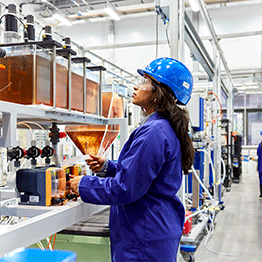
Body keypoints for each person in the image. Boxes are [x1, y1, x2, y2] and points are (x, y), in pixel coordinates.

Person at [68, 57, 195, 262]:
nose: (136, 86)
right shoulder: (162, 127)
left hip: (144, 236)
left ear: (158, 93)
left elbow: (125, 189)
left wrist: (84, 184)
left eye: (145, 82)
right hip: (154, 230)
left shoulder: (154, 132)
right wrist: (107, 167)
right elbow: (145, 175)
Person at [257, 130, 262, 199]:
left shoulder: (260, 145)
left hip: (261, 166)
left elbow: (258, 153)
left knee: (261, 179)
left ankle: (261, 194)